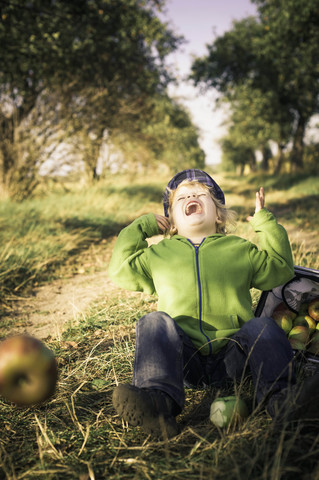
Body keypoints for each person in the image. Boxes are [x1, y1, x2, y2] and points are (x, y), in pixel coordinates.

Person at [108, 169, 319, 438]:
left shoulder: (239, 249)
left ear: (218, 214)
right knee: (154, 322)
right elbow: (120, 269)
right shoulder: (158, 255)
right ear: (169, 220)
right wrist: (143, 226)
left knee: (262, 326)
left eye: (200, 194)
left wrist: (265, 223)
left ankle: (284, 401)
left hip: (235, 357)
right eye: (181, 197)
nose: (190, 197)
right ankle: (158, 403)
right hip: (182, 360)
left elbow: (280, 268)